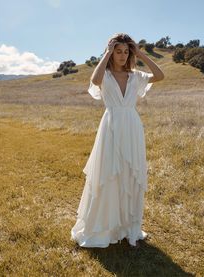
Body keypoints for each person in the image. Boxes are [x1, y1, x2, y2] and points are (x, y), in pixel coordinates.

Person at [70, 33, 164, 248]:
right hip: (110, 126)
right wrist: (106, 54)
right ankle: (104, 227)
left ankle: (126, 227)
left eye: (125, 52)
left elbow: (159, 76)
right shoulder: (106, 75)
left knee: (130, 174)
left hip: (132, 126)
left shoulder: (136, 76)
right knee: (108, 174)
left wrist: (140, 53)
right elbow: (95, 80)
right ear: (111, 52)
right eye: (118, 51)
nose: (122, 56)